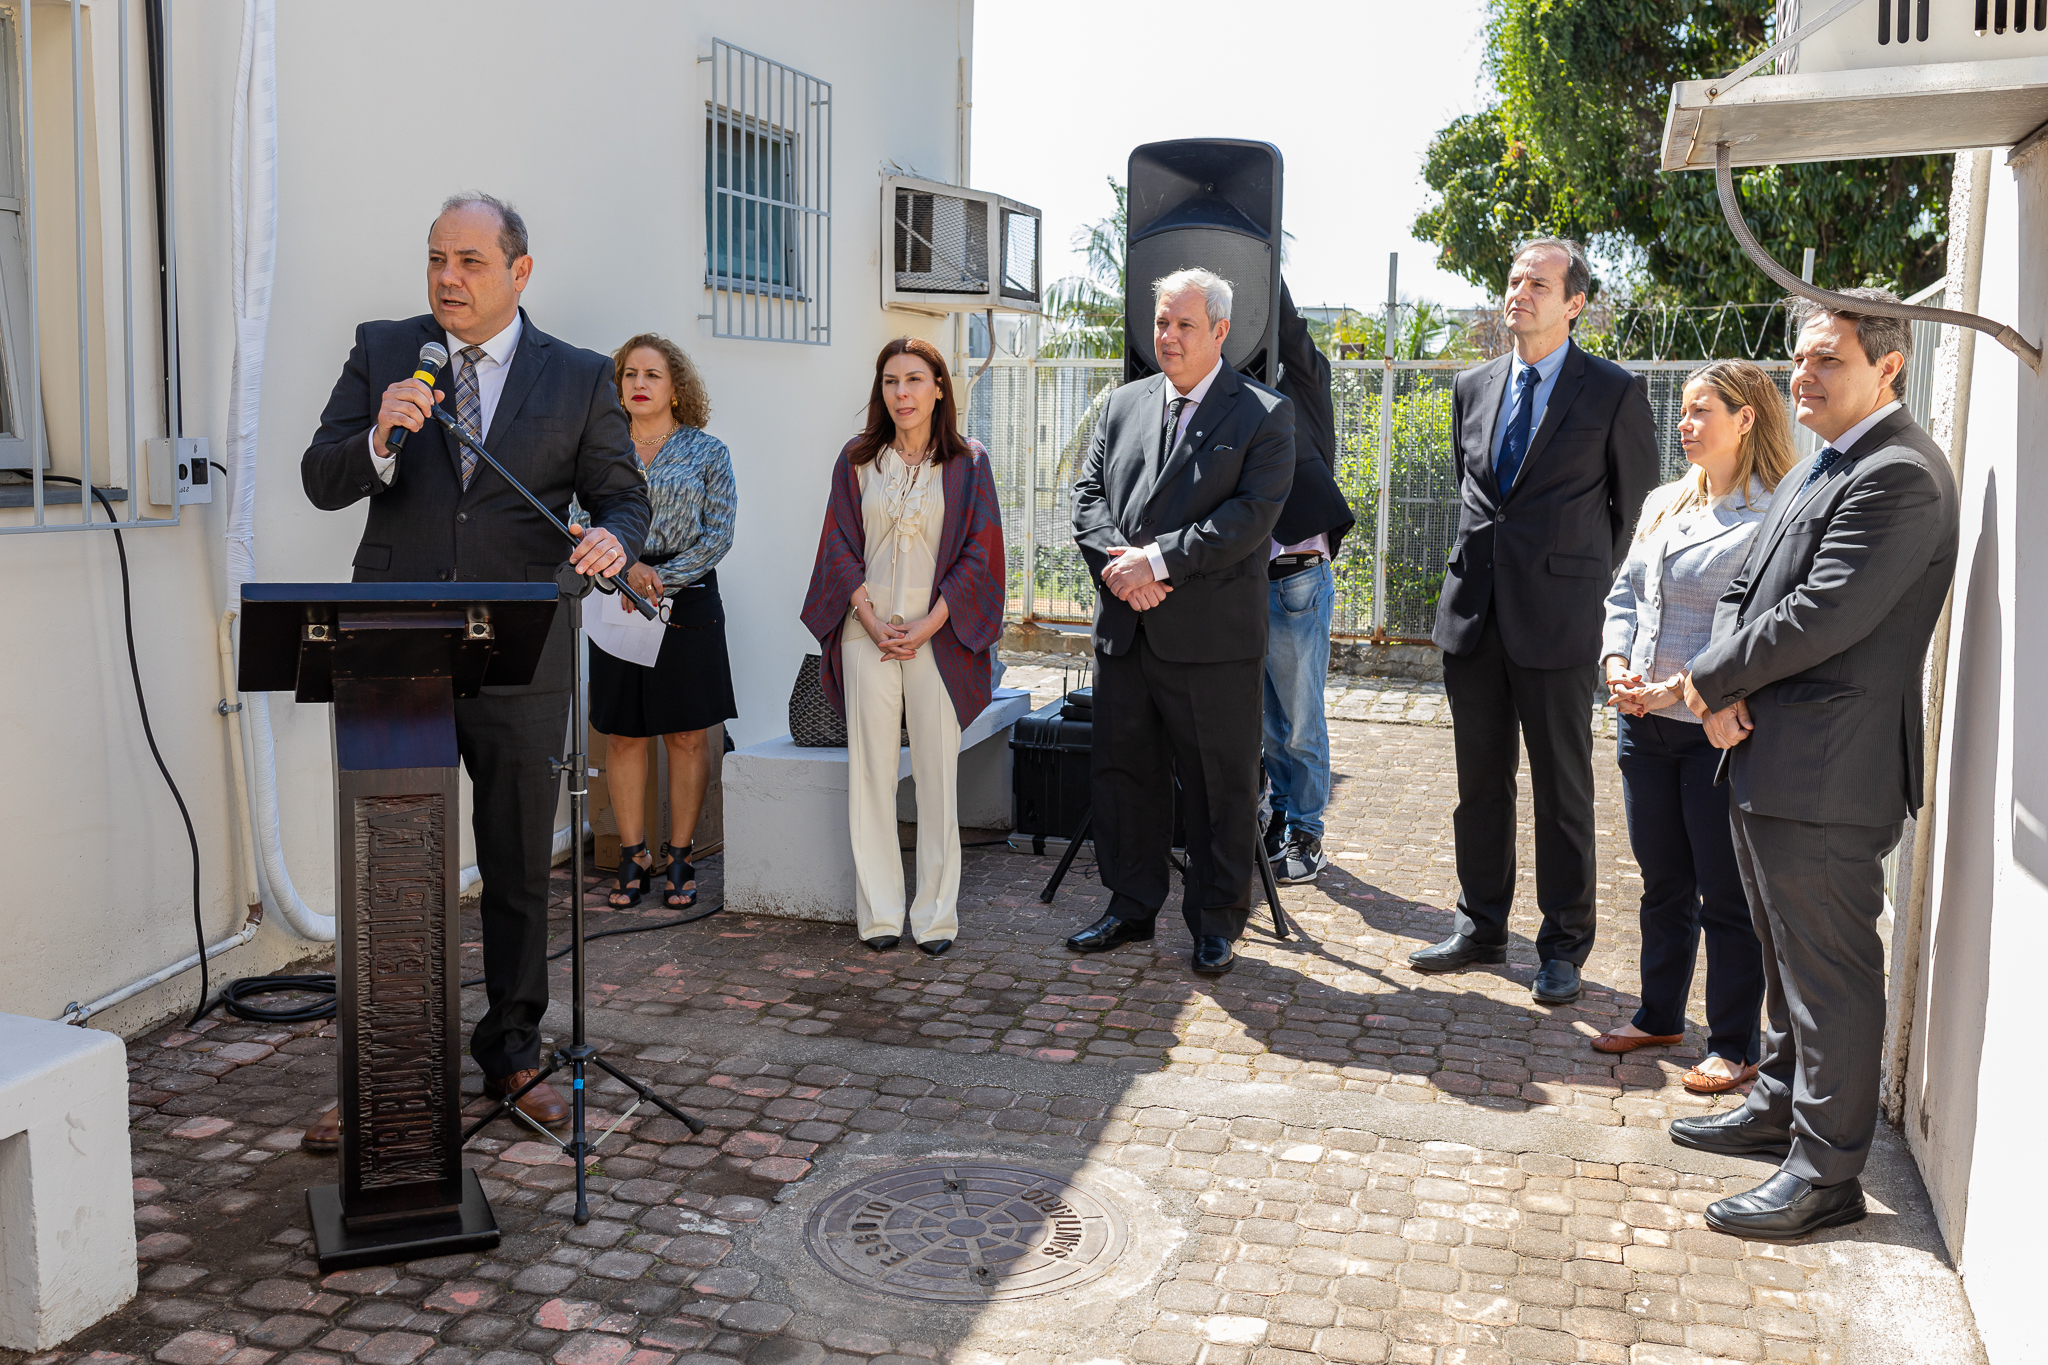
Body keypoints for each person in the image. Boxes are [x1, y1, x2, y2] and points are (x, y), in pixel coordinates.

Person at [297, 193, 649, 1147]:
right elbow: (320, 477)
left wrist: (614, 541)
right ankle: (386, 1070)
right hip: (394, 645)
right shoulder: (385, 350)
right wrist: (378, 439)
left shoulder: (578, 376)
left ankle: (513, 1052)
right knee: (390, 865)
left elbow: (623, 498)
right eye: (435, 259)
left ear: (519, 272)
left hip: (519, 650)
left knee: (517, 864)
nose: (447, 278)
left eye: (470, 261)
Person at [1669, 289, 1958, 1241]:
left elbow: (1822, 612)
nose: (1803, 374)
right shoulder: (1821, 462)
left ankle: (1827, 1172)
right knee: (1783, 953)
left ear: (1889, 365)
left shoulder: (1899, 474)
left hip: (1831, 770)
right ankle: (1780, 1104)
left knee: (1829, 970)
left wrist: (1708, 681)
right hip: (1765, 751)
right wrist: (1720, 694)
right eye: (1799, 358)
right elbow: (1747, 585)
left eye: (1828, 358)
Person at [1410, 237, 1658, 1005]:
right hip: (1474, 617)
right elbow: (1478, 492)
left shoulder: (1613, 391)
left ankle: (1563, 945)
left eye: (1539, 284)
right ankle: (1481, 925)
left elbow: (1636, 516)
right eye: (1514, 279)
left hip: (1560, 623)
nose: (1519, 292)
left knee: (1562, 792)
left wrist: (1584, 592)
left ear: (1575, 303)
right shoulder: (1472, 385)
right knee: (1479, 786)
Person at [1065, 267, 1296, 976]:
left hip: (1211, 642)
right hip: (1128, 630)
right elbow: (1087, 497)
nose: (1167, 336)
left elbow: (1248, 519)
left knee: (1219, 787)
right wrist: (1124, 570)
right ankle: (1130, 906)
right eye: (1162, 322)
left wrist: (1157, 563)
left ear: (1220, 331)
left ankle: (1216, 921)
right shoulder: (1121, 404)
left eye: (1183, 324)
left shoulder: (1263, 414)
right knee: (1124, 776)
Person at [1596, 361, 1792, 1094]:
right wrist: (1616, 661)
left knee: (1725, 894)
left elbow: (1759, 630)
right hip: (1643, 725)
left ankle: (1734, 1043)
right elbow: (1624, 595)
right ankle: (1658, 1014)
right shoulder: (1665, 501)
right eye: (1682, 409)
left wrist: (1681, 687)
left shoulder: (1774, 514)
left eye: (1701, 409)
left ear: (1746, 419)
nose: (1684, 423)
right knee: (1662, 882)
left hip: (1714, 732)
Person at [800, 338, 1004, 958]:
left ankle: (937, 918)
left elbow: (980, 553)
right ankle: (880, 914)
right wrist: (866, 616)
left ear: (939, 388)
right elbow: (838, 544)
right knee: (871, 775)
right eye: (890, 381)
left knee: (938, 777)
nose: (902, 393)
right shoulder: (857, 459)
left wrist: (930, 623)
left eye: (914, 379)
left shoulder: (968, 462)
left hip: (937, 636)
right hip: (867, 633)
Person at [591, 334, 737, 913]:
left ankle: (680, 855)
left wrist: (661, 579)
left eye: (652, 374)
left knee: (685, 733)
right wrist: (625, 571)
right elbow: (578, 518)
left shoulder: (707, 451)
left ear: (676, 387)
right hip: (616, 595)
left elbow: (719, 533)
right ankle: (634, 855)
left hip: (688, 602)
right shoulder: (599, 449)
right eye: (629, 374)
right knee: (624, 732)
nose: (639, 384)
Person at [1262, 282, 1355, 885]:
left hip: (1297, 575)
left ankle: (1307, 831)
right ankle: (1280, 816)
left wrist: (1262, 265)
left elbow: (1294, 338)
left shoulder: (1304, 386)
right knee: (1268, 723)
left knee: (1300, 719)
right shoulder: (1230, 389)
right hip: (1245, 578)